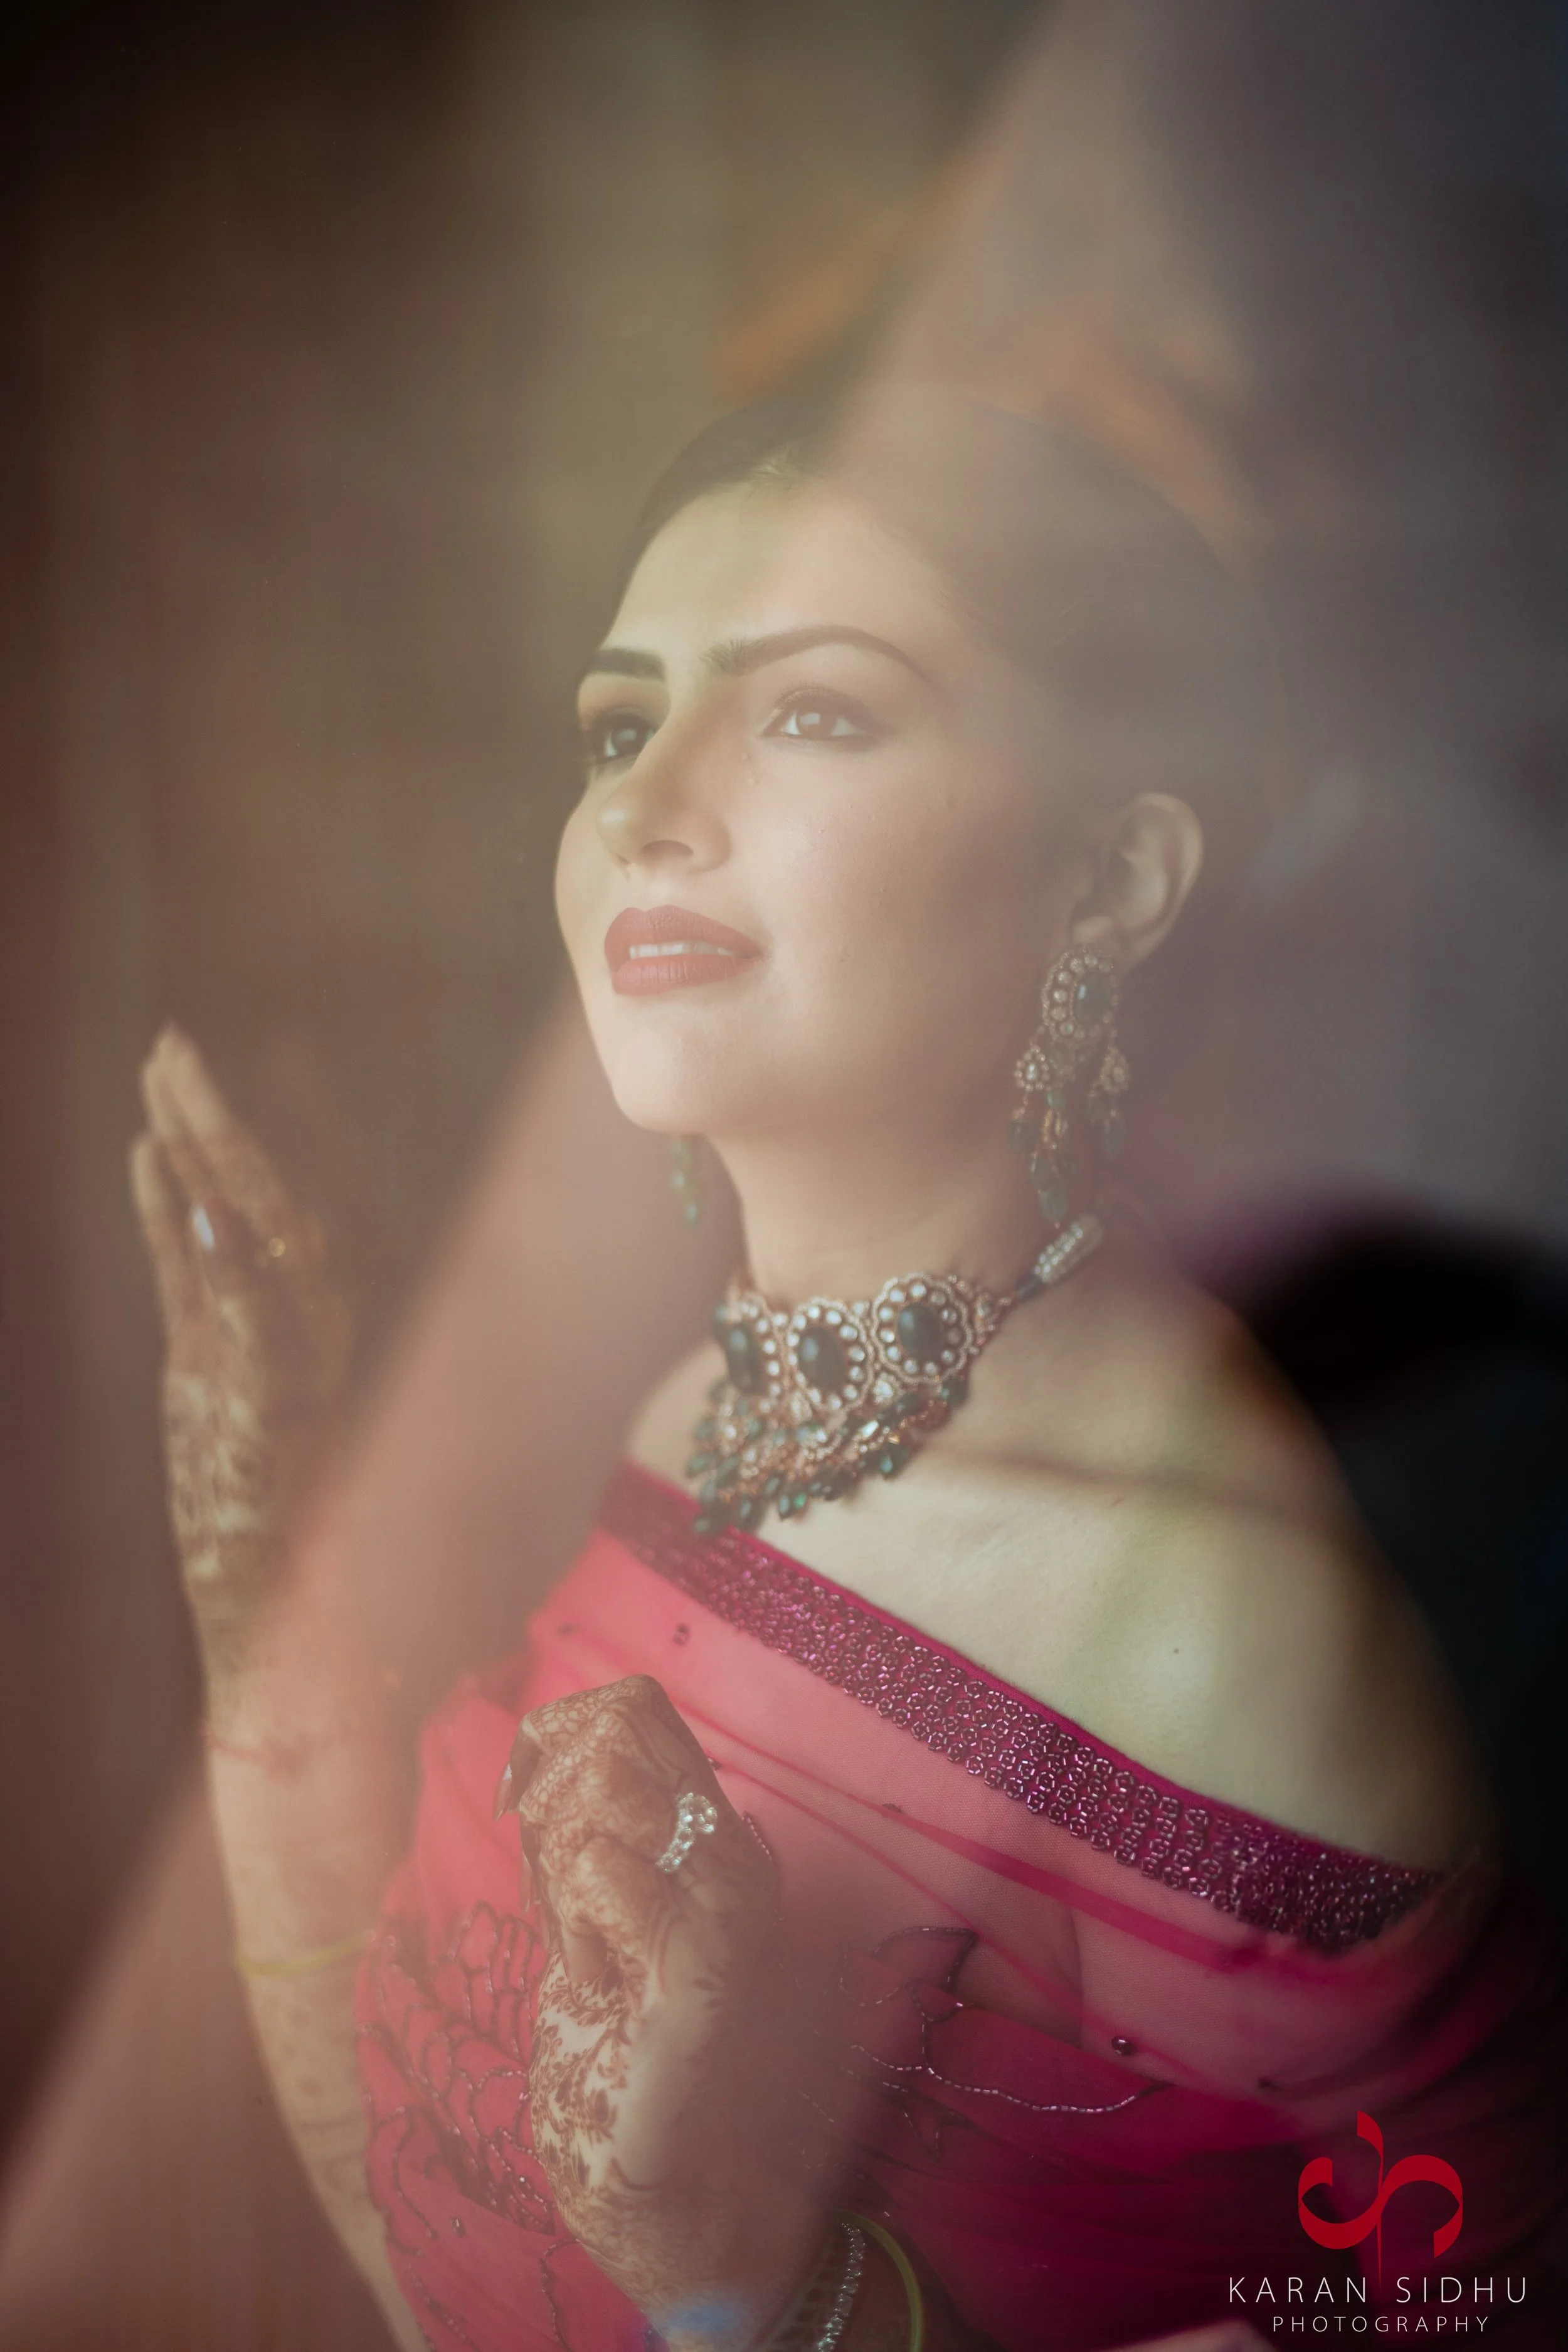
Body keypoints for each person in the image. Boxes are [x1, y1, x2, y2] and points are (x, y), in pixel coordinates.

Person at [130, 396, 1567, 2351]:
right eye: (619, 725)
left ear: (1107, 880)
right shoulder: (697, 1416)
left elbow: (1471, 2297)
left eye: (812, 710)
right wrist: (258, 1590)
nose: (644, 807)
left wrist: (767, 2283)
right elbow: (435, 2208)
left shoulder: (1198, 1629)